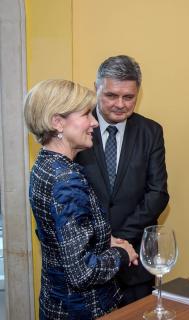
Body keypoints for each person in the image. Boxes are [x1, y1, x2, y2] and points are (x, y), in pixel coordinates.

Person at [25, 79, 138, 319]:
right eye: (86, 114)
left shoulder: (45, 164)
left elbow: (62, 240)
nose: (95, 122)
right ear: (58, 122)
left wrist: (105, 240)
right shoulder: (66, 179)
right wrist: (122, 253)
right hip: (81, 310)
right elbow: (82, 272)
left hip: (55, 304)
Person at [75, 55, 169, 305]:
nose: (120, 104)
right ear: (96, 89)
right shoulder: (77, 128)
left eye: (128, 97)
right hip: (87, 259)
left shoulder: (151, 131)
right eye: (111, 95)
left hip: (135, 262)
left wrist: (118, 239)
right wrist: (102, 238)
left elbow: (158, 193)